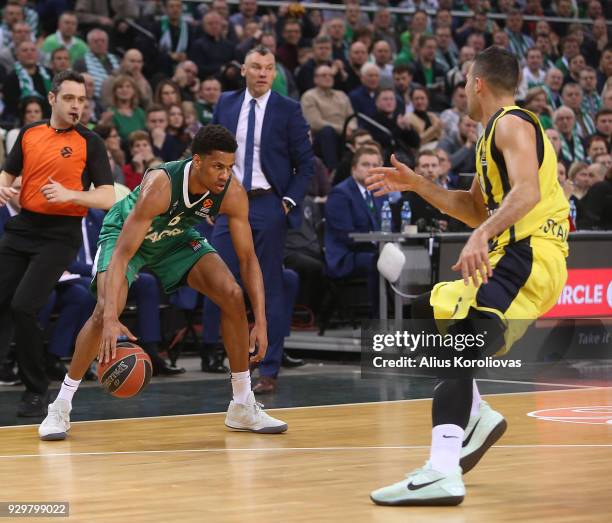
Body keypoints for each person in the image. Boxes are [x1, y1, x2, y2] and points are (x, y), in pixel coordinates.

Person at [366, 46, 569, 506]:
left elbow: (527, 192)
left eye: (464, 83)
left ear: (477, 82)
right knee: (423, 318)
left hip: (529, 254)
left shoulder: (512, 122)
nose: (461, 91)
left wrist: (483, 233)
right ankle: (475, 415)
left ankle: (442, 469)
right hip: (510, 253)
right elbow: (475, 206)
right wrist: (419, 184)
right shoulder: (487, 138)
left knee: (460, 348)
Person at [38, 124, 288, 440]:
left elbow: (249, 260)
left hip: (174, 237)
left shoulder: (232, 193)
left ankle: (242, 404)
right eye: (217, 166)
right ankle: (60, 407)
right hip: (125, 236)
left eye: (229, 166)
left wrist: (261, 320)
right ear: (197, 162)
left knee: (231, 293)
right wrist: (113, 317)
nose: (225, 175)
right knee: (104, 312)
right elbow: (123, 255)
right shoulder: (161, 185)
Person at [0, 70, 115, 417]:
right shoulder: (29, 133)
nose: (76, 105)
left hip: (60, 235)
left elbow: (109, 196)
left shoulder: (90, 142)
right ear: (52, 99)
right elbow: (8, 172)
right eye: (69, 98)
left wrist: (71, 194)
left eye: (81, 100)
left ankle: (37, 391)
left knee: (24, 306)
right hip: (23, 227)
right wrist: (3, 187)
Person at [202, 46, 313, 394]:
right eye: (256, 67)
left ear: (275, 72)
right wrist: (208, 198)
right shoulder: (226, 103)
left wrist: (288, 202)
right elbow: (208, 154)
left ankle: (268, 367)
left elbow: (305, 164)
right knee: (219, 278)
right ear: (244, 70)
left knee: (267, 286)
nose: (263, 73)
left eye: (269, 68)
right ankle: (228, 358)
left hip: (268, 203)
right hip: (228, 202)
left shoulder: (289, 109)